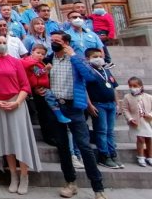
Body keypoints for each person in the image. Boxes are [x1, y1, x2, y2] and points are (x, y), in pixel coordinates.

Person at [45, 30, 107, 199]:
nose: (53, 43)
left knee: (84, 146)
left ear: (66, 42)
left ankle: (98, 188)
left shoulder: (76, 58)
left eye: (57, 41)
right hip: (57, 107)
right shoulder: (51, 58)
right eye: (52, 40)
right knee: (63, 147)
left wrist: (73, 56)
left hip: (74, 107)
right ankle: (70, 182)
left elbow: (90, 76)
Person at [0, 34, 41, 195]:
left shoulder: (16, 62)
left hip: (16, 103)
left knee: (20, 140)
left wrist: (17, 102)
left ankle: (24, 175)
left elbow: (25, 85)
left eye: (4, 42)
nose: (1, 44)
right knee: (6, 141)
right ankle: (13, 176)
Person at [83, 48, 122, 168]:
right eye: (95, 57)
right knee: (101, 130)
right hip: (98, 104)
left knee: (110, 131)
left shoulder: (106, 71)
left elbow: (113, 87)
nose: (99, 59)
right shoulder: (88, 72)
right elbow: (84, 90)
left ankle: (112, 153)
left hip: (111, 104)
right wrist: (89, 105)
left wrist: (118, 103)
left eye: (100, 56)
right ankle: (104, 155)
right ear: (88, 59)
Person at [22, 44, 71, 123]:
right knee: (51, 98)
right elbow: (38, 73)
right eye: (38, 53)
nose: (40, 55)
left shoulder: (38, 62)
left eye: (43, 54)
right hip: (39, 86)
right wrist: (46, 69)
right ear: (32, 52)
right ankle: (59, 115)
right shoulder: (31, 63)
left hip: (40, 85)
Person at [122, 76, 152, 167]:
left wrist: (150, 115)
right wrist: (130, 119)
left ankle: (150, 156)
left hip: (147, 121)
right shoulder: (127, 97)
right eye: (130, 86)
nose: (133, 88)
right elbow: (125, 109)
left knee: (149, 138)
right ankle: (141, 156)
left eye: (135, 86)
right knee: (140, 139)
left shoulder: (149, 97)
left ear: (141, 86)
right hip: (136, 122)